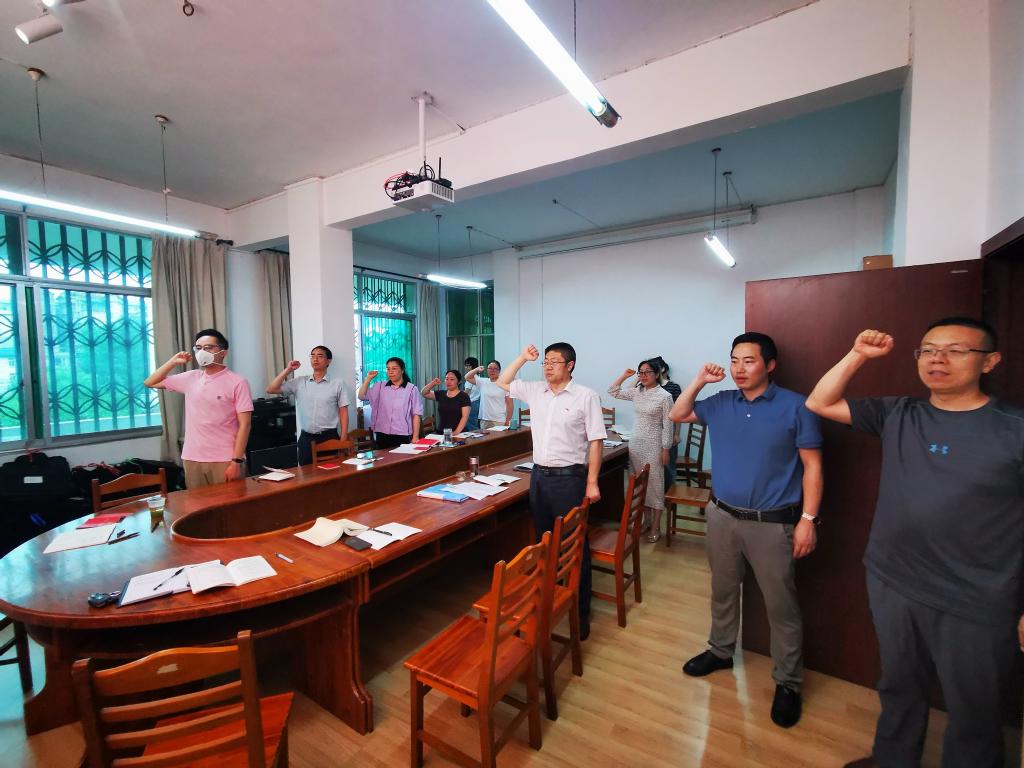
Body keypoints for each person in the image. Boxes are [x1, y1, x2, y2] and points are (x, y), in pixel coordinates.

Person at [805, 319, 1022, 768]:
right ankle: (893, 759)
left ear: (990, 362)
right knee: (899, 684)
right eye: (927, 350)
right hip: (894, 579)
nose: (938, 359)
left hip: (978, 597)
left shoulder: (1013, 429)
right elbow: (820, 402)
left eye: (956, 350)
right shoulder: (901, 412)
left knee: (975, 707)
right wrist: (858, 355)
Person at [671, 331, 822, 728]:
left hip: (772, 524)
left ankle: (788, 682)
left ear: (769, 365)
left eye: (749, 361)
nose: (739, 368)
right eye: (734, 360)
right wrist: (700, 380)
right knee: (722, 590)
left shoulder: (796, 406)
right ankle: (721, 651)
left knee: (781, 605)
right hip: (721, 515)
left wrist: (808, 521)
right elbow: (678, 414)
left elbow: (813, 467)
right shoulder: (722, 402)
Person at [496, 342, 606, 639]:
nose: (547, 366)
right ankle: (549, 603)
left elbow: (596, 440)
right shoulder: (535, 391)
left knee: (573, 546)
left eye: (554, 362)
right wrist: (522, 358)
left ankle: (580, 614)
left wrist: (592, 481)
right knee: (543, 543)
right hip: (539, 478)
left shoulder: (586, 396)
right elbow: (502, 381)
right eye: (545, 361)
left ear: (570, 365)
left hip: (569, 479)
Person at [144, 328, 253, 489]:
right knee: (197, 503)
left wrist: (236, 461)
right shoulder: (191, 377)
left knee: (229, 503)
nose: (202, 352)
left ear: (223, 352)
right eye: (198, 348)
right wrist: (173, 362)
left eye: (208, 347)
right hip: (192, 457)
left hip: (224, 458)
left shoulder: (238, 382)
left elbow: (245, 425)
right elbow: (150, 382)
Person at [608, 360, 673, 543]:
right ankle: (646, 520)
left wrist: (666, 449)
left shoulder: (665, 396)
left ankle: (655, 526)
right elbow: (613, 391)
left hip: (654, 445)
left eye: (647, 372)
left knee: (655, 485)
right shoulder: (637, 392)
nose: (643, 376)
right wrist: (625, 376)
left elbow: (668, 425)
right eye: (640, 372)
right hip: (635, 443)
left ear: (657, 374)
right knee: (639, 485)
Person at [267, 345, 350, 466]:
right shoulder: (300, 382)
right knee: (306, 474)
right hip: (306, 439)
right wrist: (288, 370)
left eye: (320, 356)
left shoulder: (338, 383)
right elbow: (271, 389)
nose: (315, 359)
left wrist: (343, 439)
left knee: (331, 473)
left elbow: (343, 412)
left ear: (328, 361)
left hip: (329, 437)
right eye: (312, 356)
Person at [357, 356, 422, 449]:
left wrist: (415, 437)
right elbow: (361, 396)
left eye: (394, 368)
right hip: (382, 433)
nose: (390, 372)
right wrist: (368, 379)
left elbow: (416, 414)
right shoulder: (380, 386)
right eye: (388, 369)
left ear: (402, 370)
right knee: (382, 458)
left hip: (402, 434)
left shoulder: (412, 389)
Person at [651, 356, 683, 493]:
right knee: (653, 465)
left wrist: (676, 434)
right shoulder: (649, 387)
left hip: (668, 432)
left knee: (669, 466)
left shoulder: (674, 387)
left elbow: (678, 412)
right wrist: (637, 376)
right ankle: (655, 495)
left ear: (662, 369)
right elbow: (630, 391)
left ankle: (670, 496)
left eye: (653, 369)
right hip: (651, 434)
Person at [465, 360, 513, 430]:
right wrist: (477, 369)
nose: (492, 370)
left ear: (499, 371)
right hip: (485, 420)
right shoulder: (483, 382)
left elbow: (510, 404)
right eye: (490, 368)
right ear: (487, 370)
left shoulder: (504, 384)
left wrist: (508, 420)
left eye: (495, 368)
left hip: (499, 420)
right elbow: (467, 377)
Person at [421, 369, 471, 434]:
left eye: (452, 379)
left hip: (458, 433)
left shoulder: (464, 396)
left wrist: (456, 432)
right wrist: (433, 383)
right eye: (447, 379)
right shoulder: (441, 394)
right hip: (441, 432)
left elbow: (465, 417)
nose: (448, 381)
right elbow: (424, 393)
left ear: (459, 382)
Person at [463, 356, 481, 430]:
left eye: (468, 365)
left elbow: (466, 392)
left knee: (471, 426)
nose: (466, 367)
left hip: (472, 403)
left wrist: (456, 396)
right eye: (465, 365)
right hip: (477, 402)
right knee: (475, 424)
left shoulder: (471, 378)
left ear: (473, 366)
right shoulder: (477, 377)